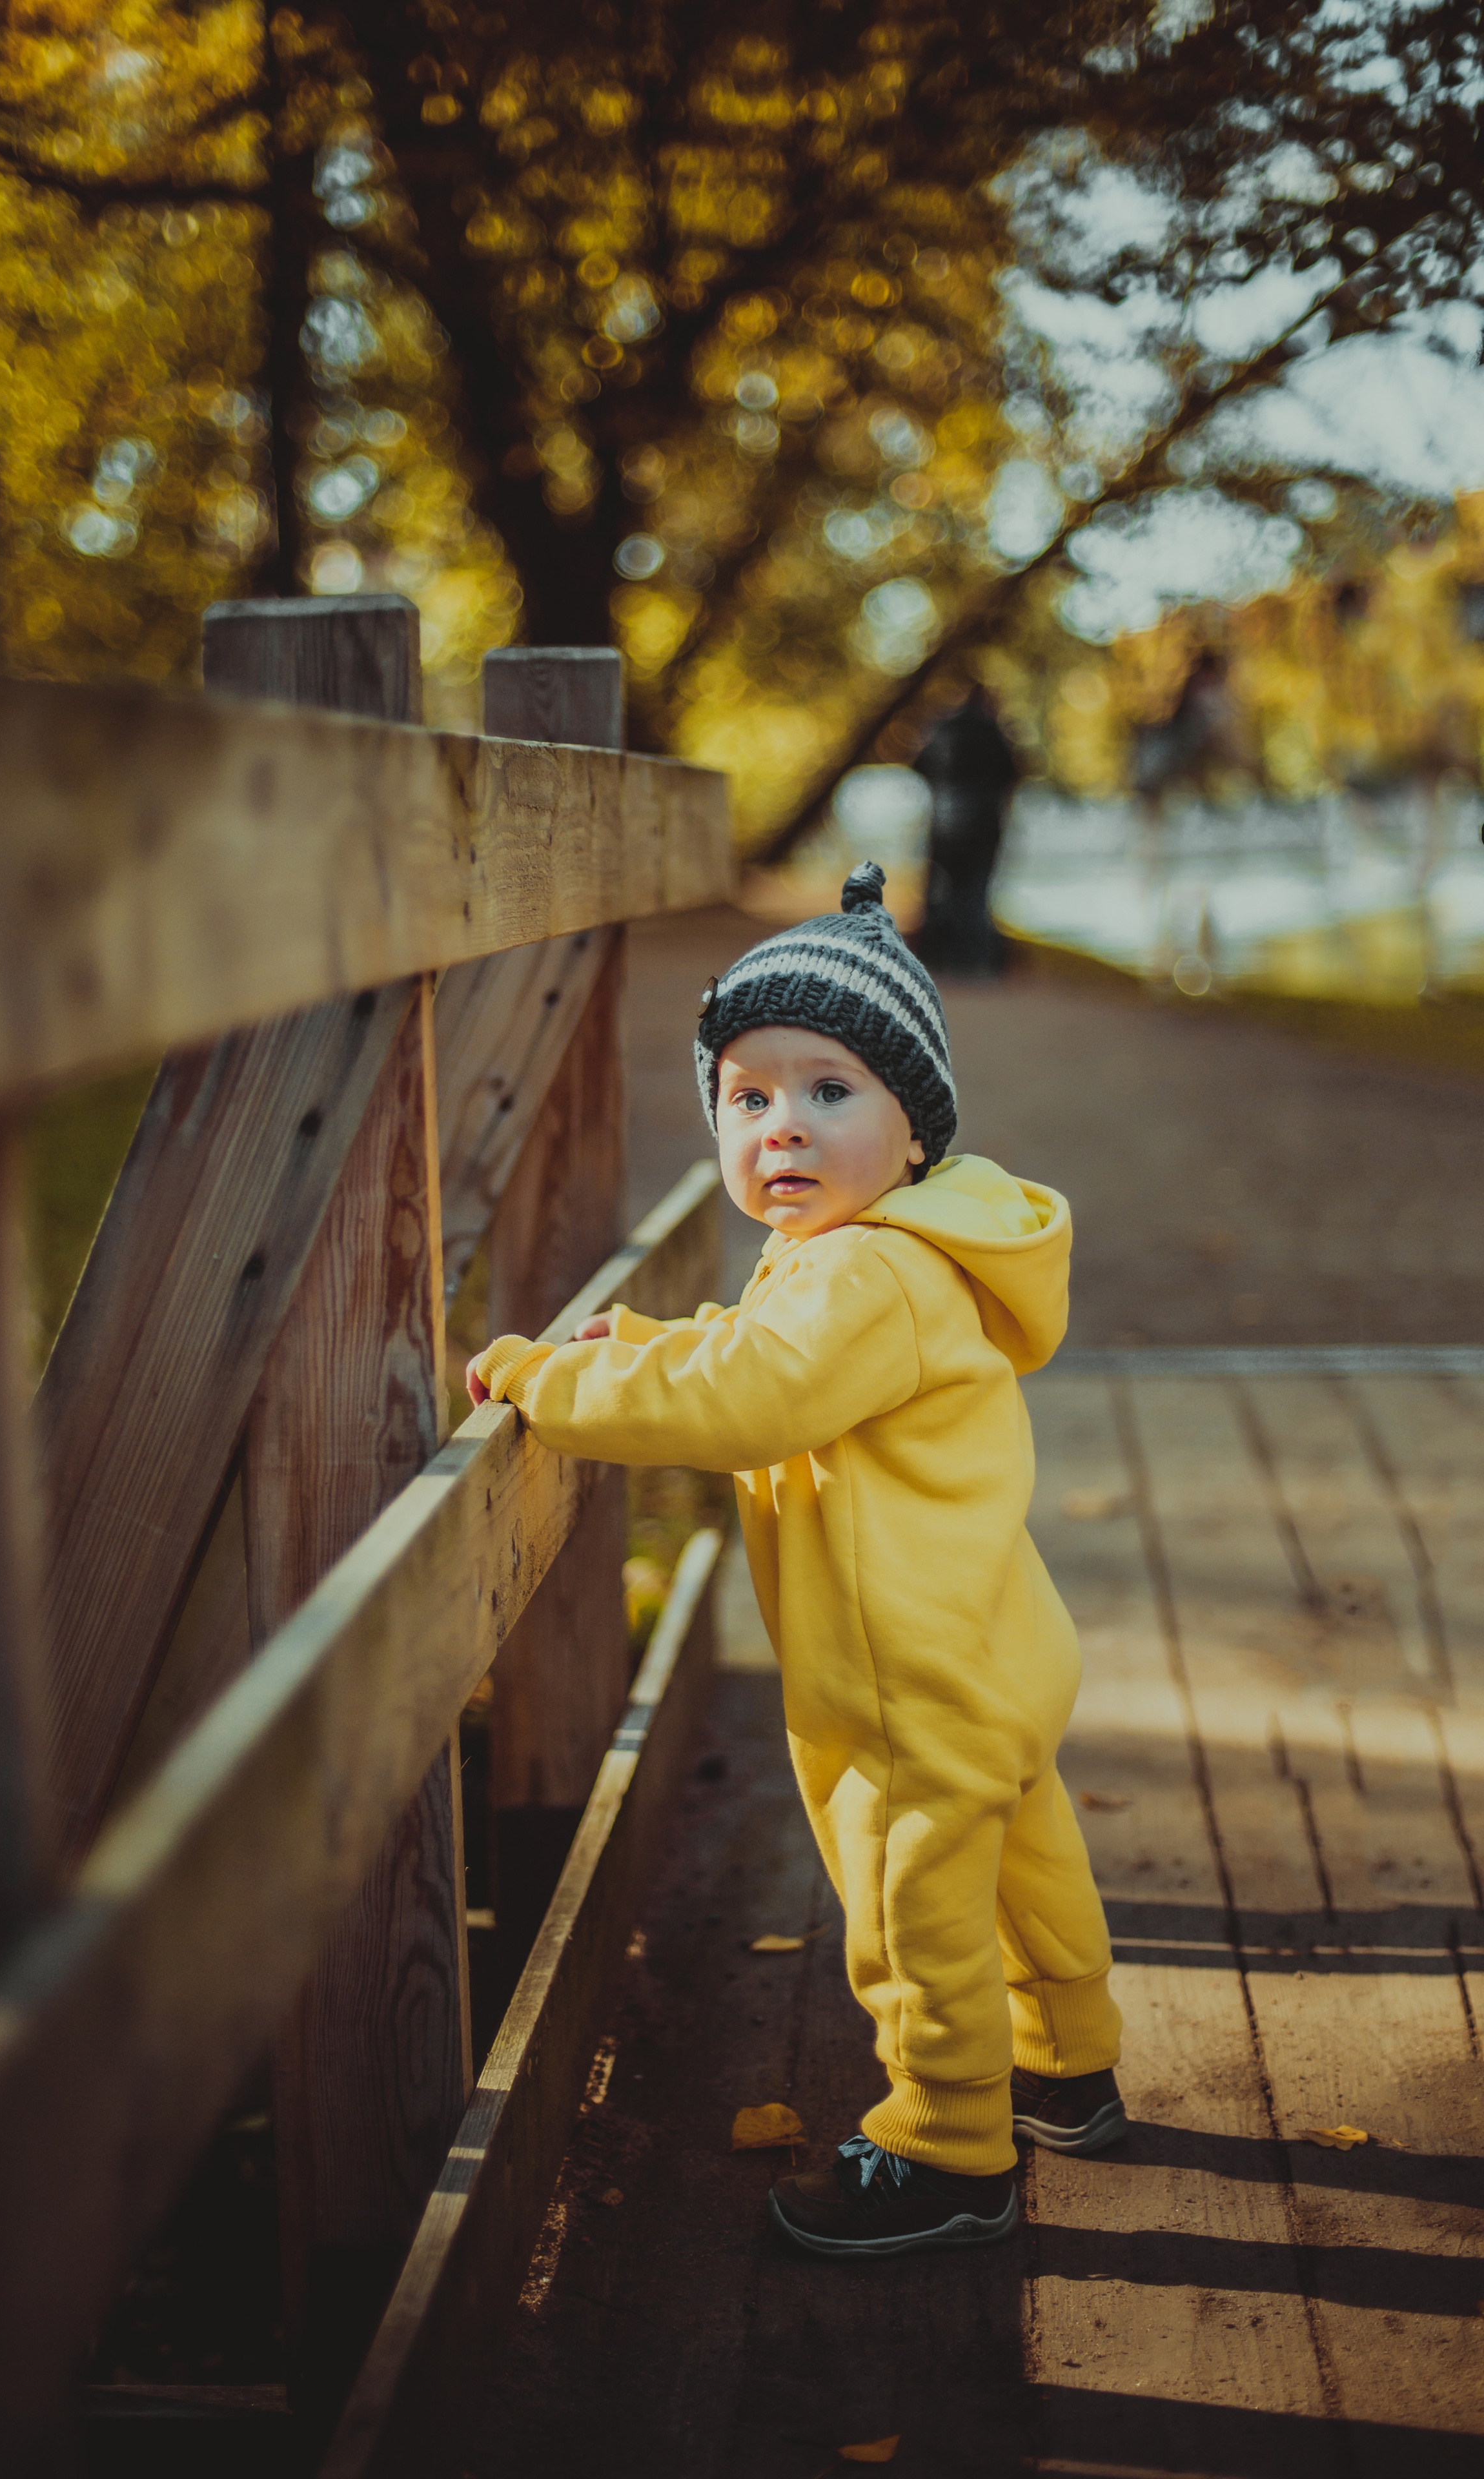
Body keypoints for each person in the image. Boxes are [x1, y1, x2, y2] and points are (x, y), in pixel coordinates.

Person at [466, 864, 1123, 2258]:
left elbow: (748, 1400)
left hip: (900, 1684)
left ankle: (948, 2150)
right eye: (746, 1098)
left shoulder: (858, 1275)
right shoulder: (884, 1251)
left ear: (911, 1124)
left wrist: (547, 1380)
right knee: (1024, 1870)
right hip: (993, 1649)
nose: (782, 1129)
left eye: (828, 1091)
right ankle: (1066, 2071)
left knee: (908, 1917)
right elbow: (752, 1357)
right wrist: (644, 1345)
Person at [910, 682, 1019, 977]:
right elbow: (1013, 774)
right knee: (975, 892)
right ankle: (974, 960)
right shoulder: (994, 734)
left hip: (944, 823)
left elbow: (919, 765)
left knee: (940, 890)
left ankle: (938, 955)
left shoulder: (943, 729)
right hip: (983, 825)